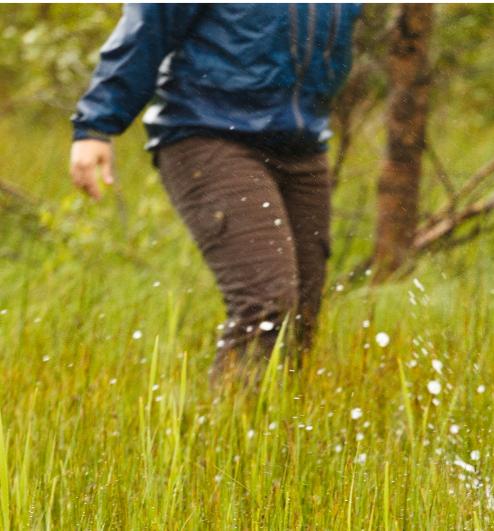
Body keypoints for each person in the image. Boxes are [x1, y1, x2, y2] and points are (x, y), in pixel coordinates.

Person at [69, 4, 361, 382]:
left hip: (302, 142)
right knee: (267, 303)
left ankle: (284, 434)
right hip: (209, 131)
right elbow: (149, 25)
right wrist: (96, 123)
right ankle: (233, 432)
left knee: (301, 315)